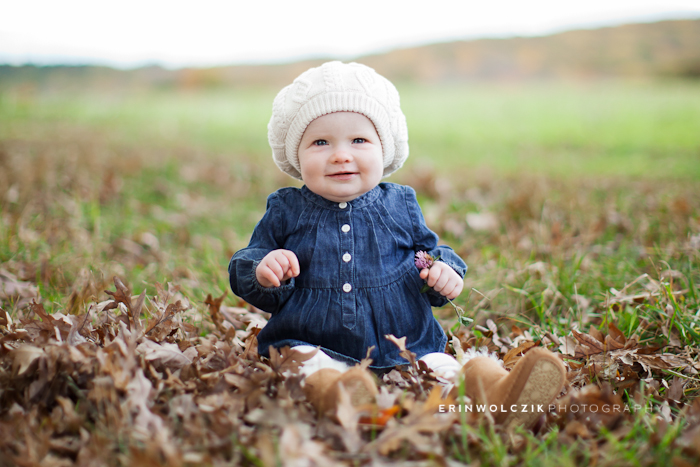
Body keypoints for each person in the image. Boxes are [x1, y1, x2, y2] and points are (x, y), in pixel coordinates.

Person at [228, 61, 565, 427]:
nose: (341, 154)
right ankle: (340, 396)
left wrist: (443, 272)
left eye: (359, 140)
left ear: (383, 149)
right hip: (310, 337)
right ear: (296, 155)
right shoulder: (286, 210)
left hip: (405, 340)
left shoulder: (400, 204)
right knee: (305, 363)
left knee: (441, 366)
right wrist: (264, 271)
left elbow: (430, 254)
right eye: (321, 142)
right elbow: (249, 264)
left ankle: (495, 391)